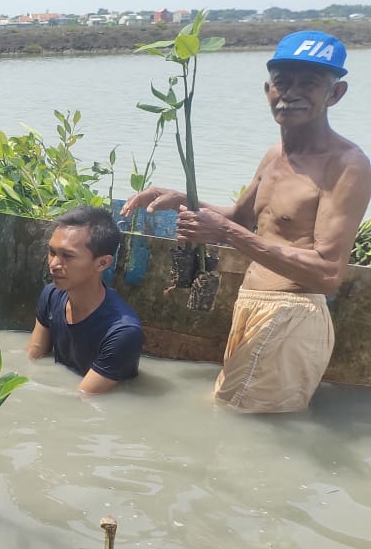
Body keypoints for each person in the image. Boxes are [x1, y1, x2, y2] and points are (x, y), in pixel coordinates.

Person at [123, 30, 371, 412]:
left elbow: (327, 274)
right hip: (251, 306)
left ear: (335, 94)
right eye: (282, 82)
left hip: (291, 314)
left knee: (243, 425)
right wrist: (181, 200)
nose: (291, 93)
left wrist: (223, 232)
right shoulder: (276, 154)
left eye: (309, 83)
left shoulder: (347, 166)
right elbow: (239, 218)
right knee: (236, 418)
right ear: (267, 90)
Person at [27, 206, 144, 393]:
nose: (54, 264)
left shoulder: (123, 332)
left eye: (67, 256)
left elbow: (84, 397)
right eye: (52, 252)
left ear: (102, 263)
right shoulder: (51, 295)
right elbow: (33, 358)